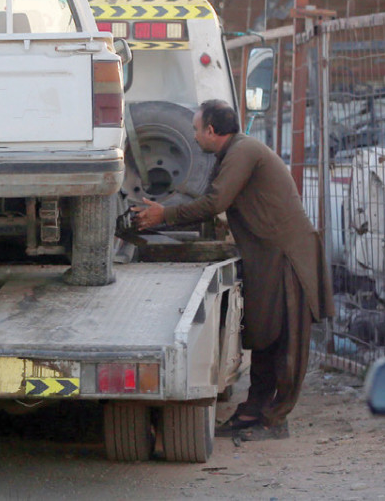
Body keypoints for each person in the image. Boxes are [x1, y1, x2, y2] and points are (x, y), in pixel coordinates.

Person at [132, 99, 334, 441]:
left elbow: (215, 203)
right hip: (269, 256)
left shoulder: (243, 151)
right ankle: (254, 411)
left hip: (289, 257)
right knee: (266, 338)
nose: (193, 137)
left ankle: (274, 420)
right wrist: (159, 211)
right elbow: (201, 195)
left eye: (196, 129)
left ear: (212, 131)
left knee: (287, 342)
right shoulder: (228, 155)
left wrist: (162, 216)